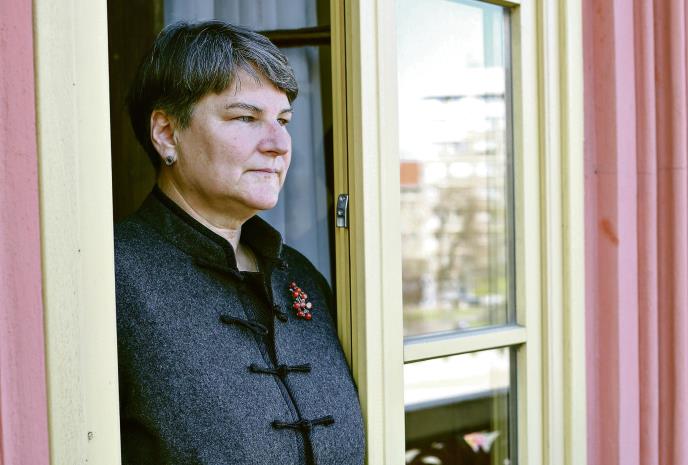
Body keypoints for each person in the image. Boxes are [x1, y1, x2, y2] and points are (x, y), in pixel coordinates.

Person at [115, 21, 364, 465]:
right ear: (167, 133)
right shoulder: (112, 278)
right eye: (246, 118)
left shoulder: (301, 276)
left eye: (283, 121)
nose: (279, 144)